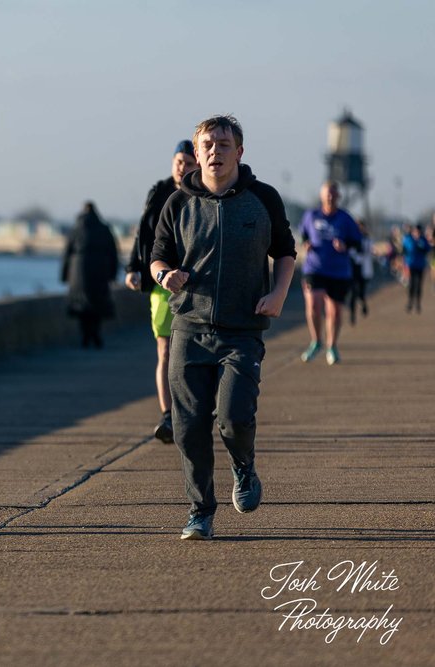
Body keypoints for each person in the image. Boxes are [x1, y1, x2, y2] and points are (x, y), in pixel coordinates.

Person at [150, 115, 296, 540]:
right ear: (196, 154)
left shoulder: (263, 198)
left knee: (234, 417)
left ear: (240, 151)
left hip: (241, 330)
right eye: (208, 145)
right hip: (189, 327)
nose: (216, 151)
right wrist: (164, 276)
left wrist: (279, 295)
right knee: (188, 426)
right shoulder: (177, 203)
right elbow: (157, 255)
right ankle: (200, 511)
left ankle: (243, 467)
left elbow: (285, 253)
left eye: (224, 144)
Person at [125, 140, 199, 443]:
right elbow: (143, 232)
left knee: (193, 354)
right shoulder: (159, 192)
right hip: (160, 281)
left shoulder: (202, 194)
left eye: (188, 163)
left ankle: (193, 412)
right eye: (179, 161)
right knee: (165, 350)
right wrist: (133, 267)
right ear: (173, 163)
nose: (182, 167)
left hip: (195, 285)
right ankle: (168, 417)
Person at [298, 181, 362, 365]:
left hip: (338, 271)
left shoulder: (345, 219)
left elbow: (357, 242)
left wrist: (345, 245)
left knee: (334, 311)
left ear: (338, 196)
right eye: (327, 194)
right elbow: (303, 233)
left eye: (333, 194)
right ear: (321, 196)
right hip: (314, 268)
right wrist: (306, 243)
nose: (330, 197)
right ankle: (316, 341)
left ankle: (331, 345)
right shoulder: (311, 215)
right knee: (313, 306)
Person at [61, 201, 118, 348]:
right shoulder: (104, 229)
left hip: (78, 272)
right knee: (97, 304)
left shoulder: (75, 229)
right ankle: (95, 334)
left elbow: (66, 254)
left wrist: (64, 275)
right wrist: (113, 273)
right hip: (100, 271)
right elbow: (113, 253)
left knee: (81, 305)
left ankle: (86, 335)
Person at [347, 219, 373, 324]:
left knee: (361, 292)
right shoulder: (350, 238)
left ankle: (363, 304)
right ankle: (352, 315)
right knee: (353, 293)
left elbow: (367, 251)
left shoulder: (366, 239)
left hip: (363, 270)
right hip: (352, 269)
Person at [402, 223, 431, 312]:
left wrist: (422, 246)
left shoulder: (423, 240)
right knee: (411, 285)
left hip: (420, 265)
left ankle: (418, 304)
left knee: (418, 285)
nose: (417, 233)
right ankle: (410, 302)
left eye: (418, 231)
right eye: (415, 231)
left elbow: (428, 249)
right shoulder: (408, 239)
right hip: (410, 265)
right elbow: (406, 250)